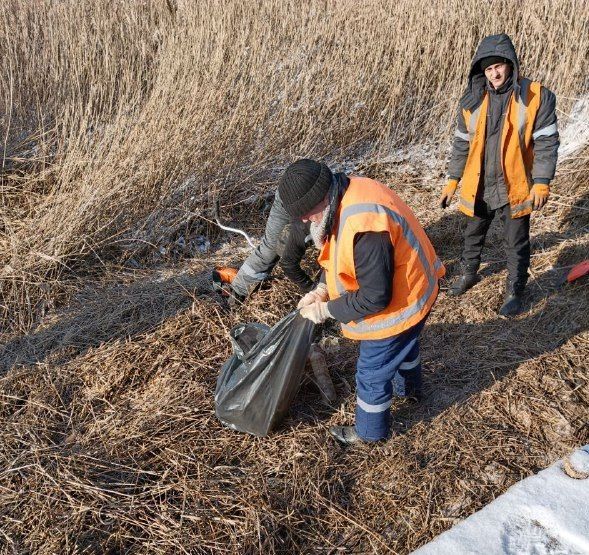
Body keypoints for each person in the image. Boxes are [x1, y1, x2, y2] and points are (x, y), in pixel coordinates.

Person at [278, 159, 445, 445]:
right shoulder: (348, 194)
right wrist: (321, 288)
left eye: (306, 213)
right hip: (416, 288)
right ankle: (410, 391)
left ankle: (370, 433)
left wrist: (326, 310)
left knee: (371, 374)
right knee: (404, 348)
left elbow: (375, 297)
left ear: (321, 197)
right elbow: (340, 254)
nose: (304, 220)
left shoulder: (363, 226)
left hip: (401, 303)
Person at [439, 33, 559, 316]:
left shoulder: (536, 96)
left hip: (514, 184)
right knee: (472, 232)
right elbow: (461, 143)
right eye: (489, 68)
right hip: (479, 181)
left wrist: (542, 181)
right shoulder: (472, 100)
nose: (494, 74)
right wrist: (453, 179)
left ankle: (514, 290)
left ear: (511, 65)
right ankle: (469, 273)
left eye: (499, 66)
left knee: (516, 241)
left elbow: (547, 142)